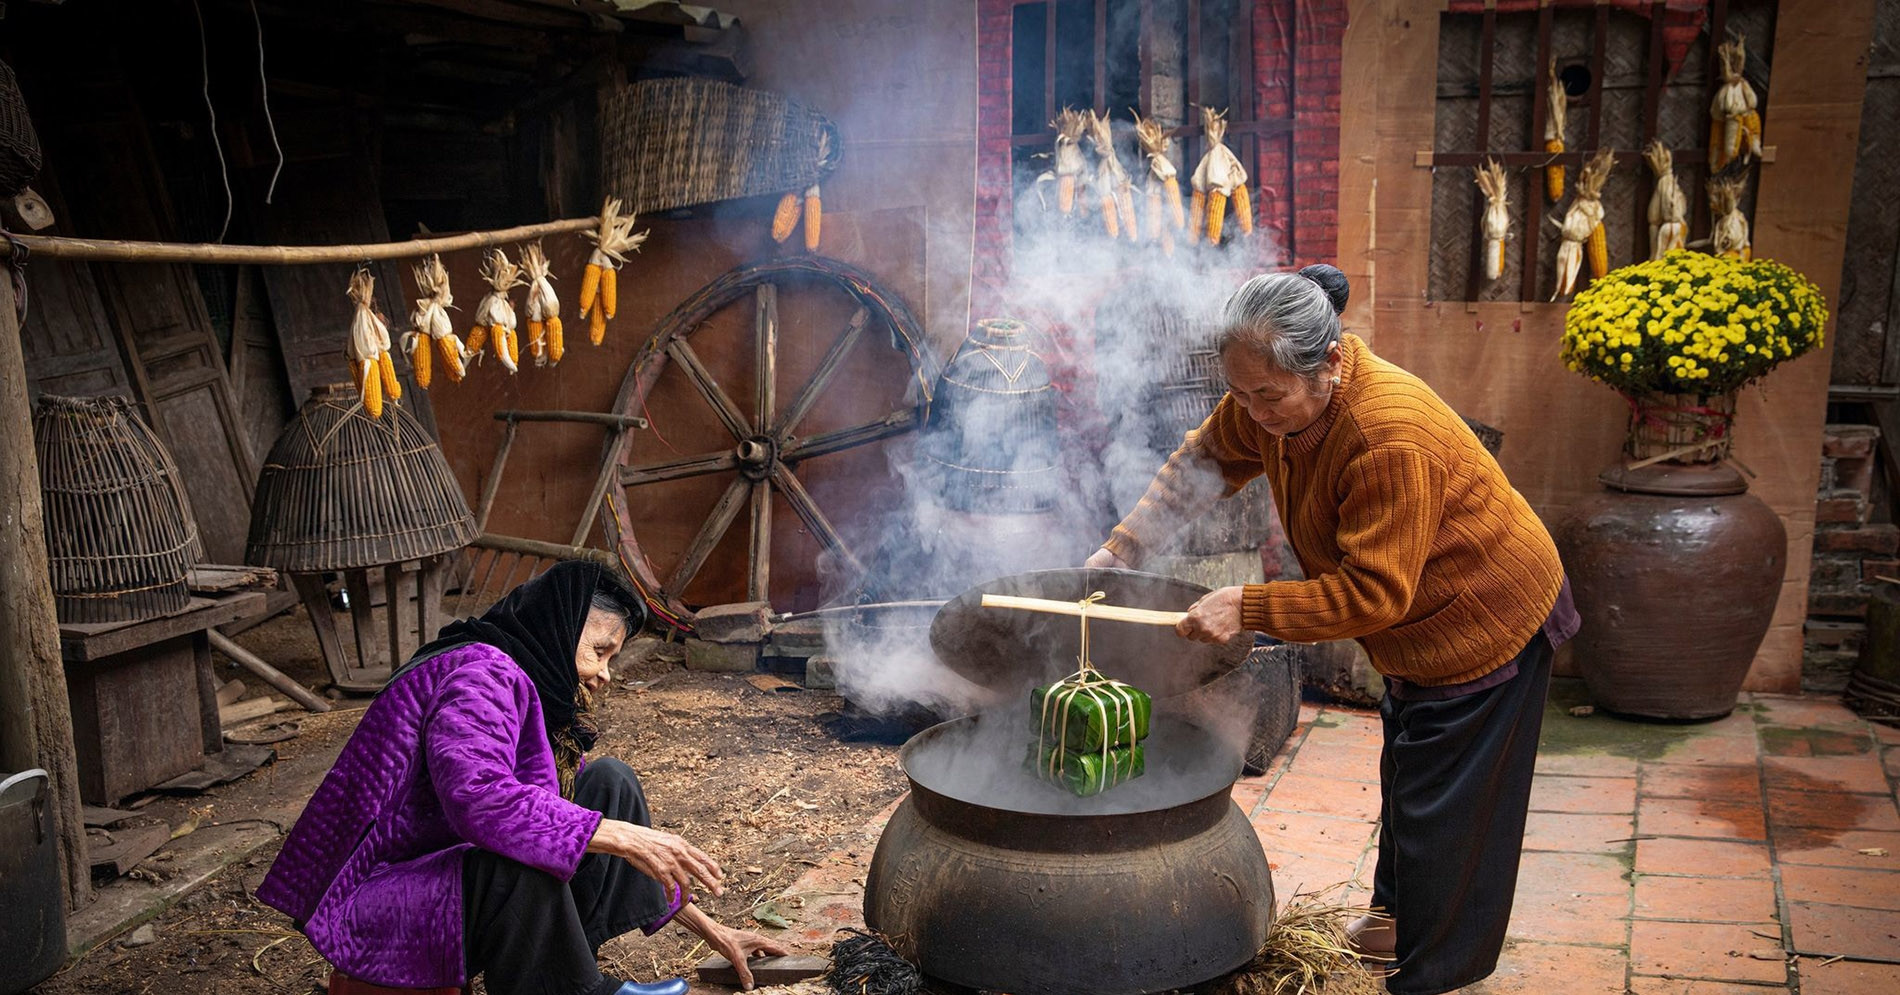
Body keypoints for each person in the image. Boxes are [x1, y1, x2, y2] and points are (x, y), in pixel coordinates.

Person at [1085, 265, 1578, 995]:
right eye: (1239, 393)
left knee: (1451, 809)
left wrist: (1247, 606)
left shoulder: (1386, 436)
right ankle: (1394, 917)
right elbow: (1202, 463)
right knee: (1411, 772)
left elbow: (1374, 593)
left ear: (1332, 362)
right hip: (1416, 630)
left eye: (1268, 396)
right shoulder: (1266, 399)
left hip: (1483, 615)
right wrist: (1119, 549)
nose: (1253, 413)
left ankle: (1434, 972)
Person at [257, 561, 789, 995]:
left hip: (440, 877)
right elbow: (478, 798)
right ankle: (579, 991)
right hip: (381, 897)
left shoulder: (516, 676)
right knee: (522, 854)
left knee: (606, 783)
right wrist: (620, 837)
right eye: (600, 651)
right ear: (558, 627)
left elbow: (557, 809)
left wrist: (716, 935)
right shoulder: (480, 673)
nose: (604, 673)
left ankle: (562, 965)